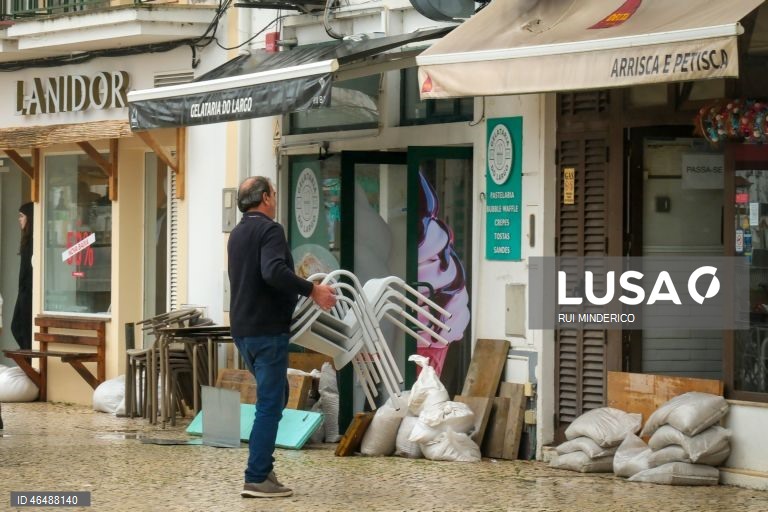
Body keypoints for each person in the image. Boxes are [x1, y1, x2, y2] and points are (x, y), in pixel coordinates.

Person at [228, 176, 336, 499]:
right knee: (270, 403)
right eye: (274, 193)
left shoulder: (237, 234)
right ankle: (257, 476)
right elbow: (272, 271)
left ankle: (264, 468)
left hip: (244, 331)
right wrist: (313, 290)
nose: (275, 198)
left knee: (275, 394)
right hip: (266, 330)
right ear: (264, 198)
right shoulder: (270, 230)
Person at [11, 202, 33, 351]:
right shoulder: (27, 240)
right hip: (25, 290)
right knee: (17, 326)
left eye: (22, 216)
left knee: (21, 326)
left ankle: (29, 359)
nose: (19, 219)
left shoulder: (33, 240)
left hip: (29, 291)